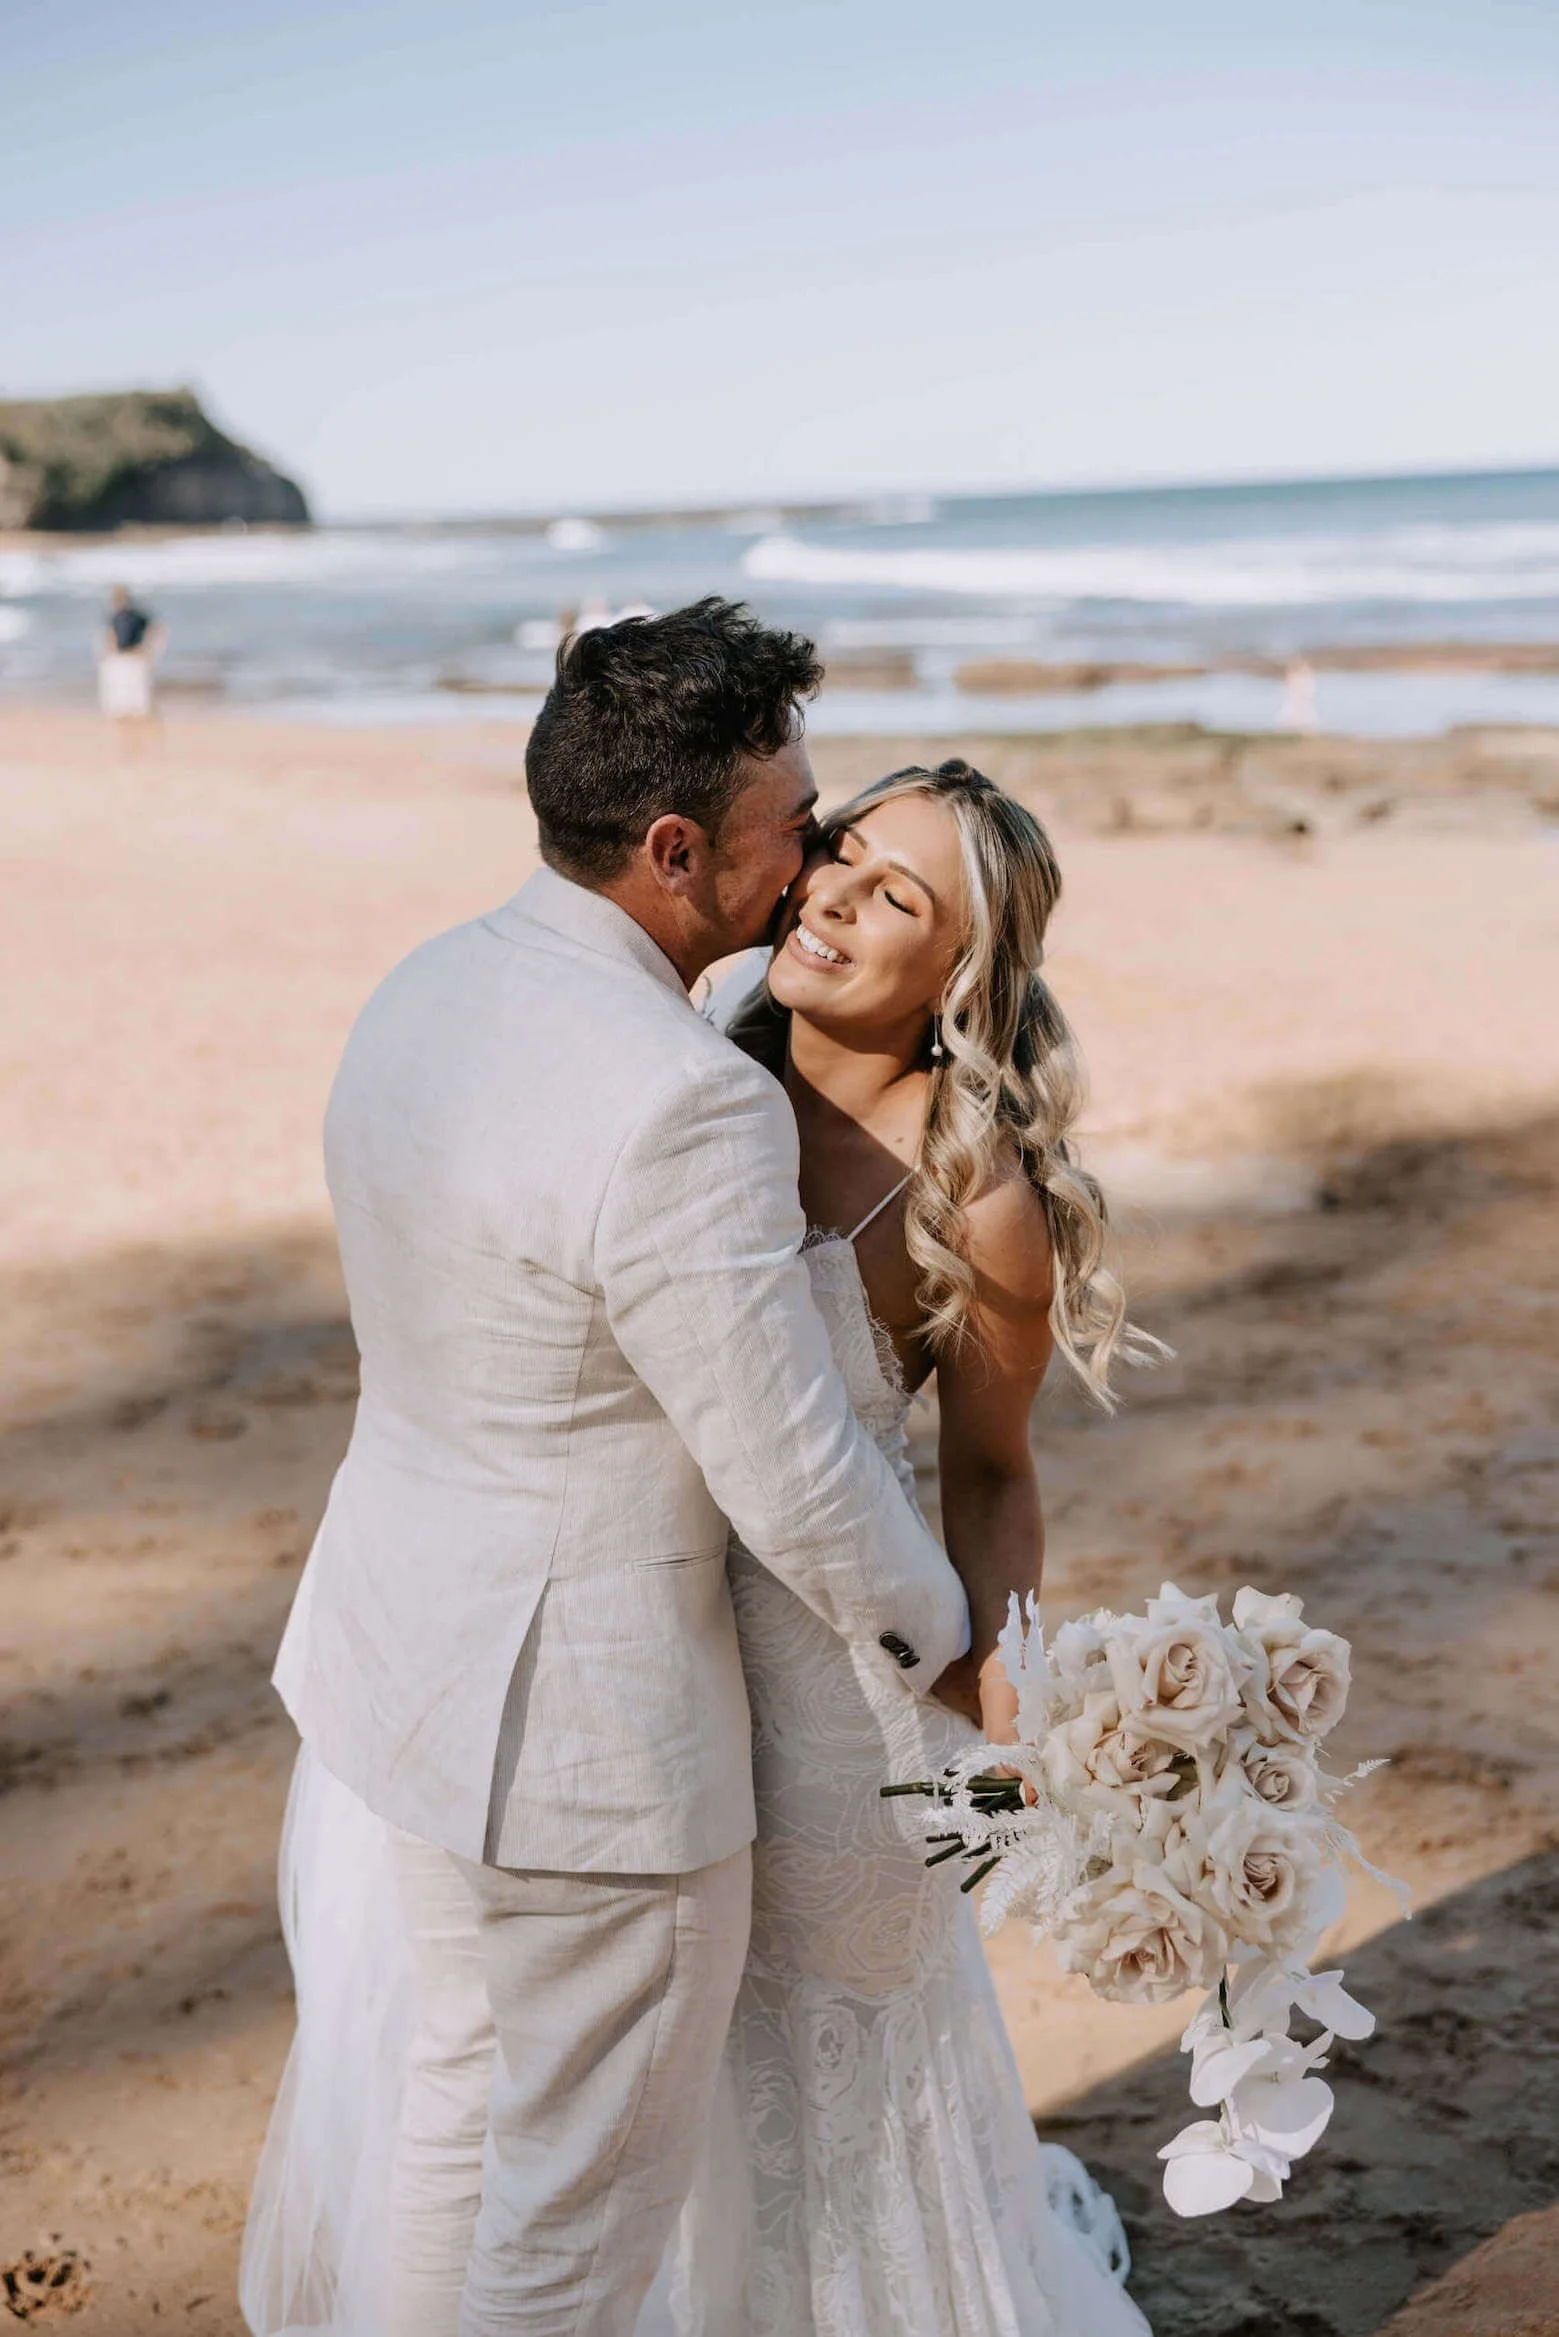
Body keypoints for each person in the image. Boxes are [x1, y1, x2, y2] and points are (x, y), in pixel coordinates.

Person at [242, 600, 976, 2337]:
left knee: (458, 2106)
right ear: (670, 849)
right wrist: (951, 1646)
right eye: (790, 822)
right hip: (582, 1745)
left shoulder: (430, 981)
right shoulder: (679, 1101)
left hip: (404, 1659)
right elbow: (793, 1474)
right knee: (568, 2224)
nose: (808, 860)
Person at [647, 761, 1157, 2334]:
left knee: (835, 2060)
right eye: (840, 856)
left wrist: (1008, 1711)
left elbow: (990, 1473)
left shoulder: (972, 1194)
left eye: (895, 899)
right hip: (639, 1631)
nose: (832, 903)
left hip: (838, 1699)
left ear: (959, 976)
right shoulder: (678, 1059)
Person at [97, 584, 163, 745]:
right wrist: (109, 653)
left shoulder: (137, 616)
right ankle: (127, 738)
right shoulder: (114, 616)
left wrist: (147, 649)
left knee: (140, 699)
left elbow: (156, 629)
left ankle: (147, 736)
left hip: (134, 658)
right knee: (122, 701)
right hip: (121, 659)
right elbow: (111, 636)